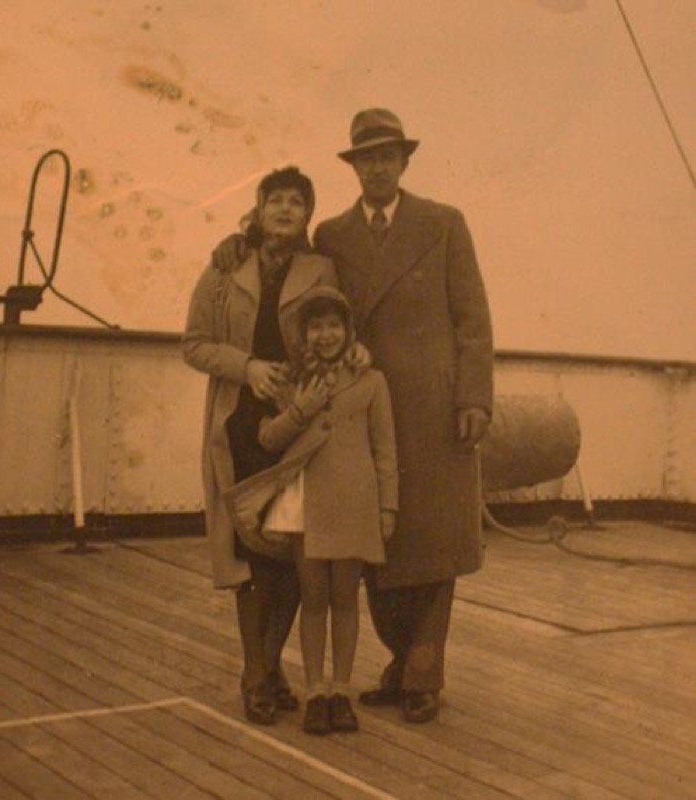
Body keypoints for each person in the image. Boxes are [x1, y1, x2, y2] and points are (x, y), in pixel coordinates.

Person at [213, 108, 494, 723]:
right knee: (376, 544)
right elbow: (291, 263)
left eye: (387, 156)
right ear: (354, 166)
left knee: (434, 539)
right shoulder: (335, 234)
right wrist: (238, 240)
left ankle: (424, 667)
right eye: (366, 157)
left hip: (433, 406)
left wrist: (474, 397)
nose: (377, 167)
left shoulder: (445, 224)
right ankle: (401, 660)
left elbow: (473, 318)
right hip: (354, 406)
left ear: (404, 161)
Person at [183, 166, 338, 725]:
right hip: (240, 424)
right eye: (276, 199)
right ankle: (259, 673)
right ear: (260, 207)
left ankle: (264, 668)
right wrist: (246, 367)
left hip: (297, 426)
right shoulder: (225, 268)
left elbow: (336, 332)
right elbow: (194, 343)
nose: (286, 209)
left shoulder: (323, 269)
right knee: (249, 550)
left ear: (307, 216)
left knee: (295, 549)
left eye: (298, 201)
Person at [255, 287, 398, 734]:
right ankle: (315, 690)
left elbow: (385, 448)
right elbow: (269, 439)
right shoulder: (293, 381)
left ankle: (341, 691)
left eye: (334, 325)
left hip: (356, 502)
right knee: (313, 600)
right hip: (308, 505)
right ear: (303, 334)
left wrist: (388, 507)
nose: (325, 334)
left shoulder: (372, 381)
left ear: (348, 329)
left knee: (345, 600)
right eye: (315, 326)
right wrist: (302, 409)